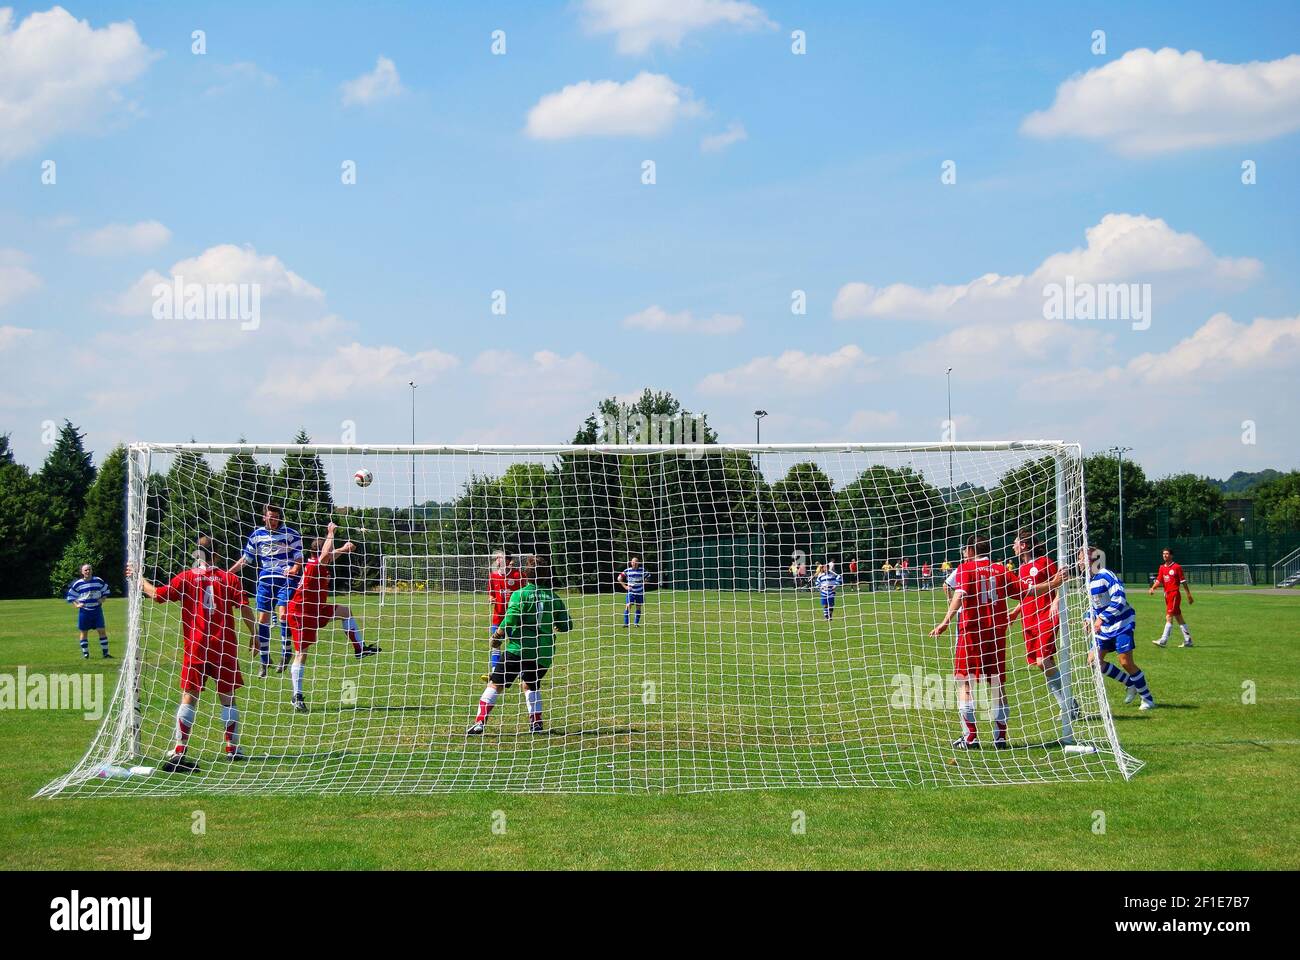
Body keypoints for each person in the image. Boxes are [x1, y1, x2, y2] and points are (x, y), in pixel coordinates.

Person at [128, 538, 255, 771]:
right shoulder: (230, 578)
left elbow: (157, 595)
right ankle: (232, 748)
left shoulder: (186, 577)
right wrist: (254, 634)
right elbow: (245, 606)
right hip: (225, 646)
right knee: (227, 697)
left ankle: (180, 747)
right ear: (217, 555)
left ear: (197, 555)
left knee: (189, 696)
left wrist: (138, 578)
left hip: (196, 647)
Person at [931, 535, 1063, 749]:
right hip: (996, 633)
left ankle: (970, 737)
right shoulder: (1001, 570)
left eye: (966, 549)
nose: (964, 553)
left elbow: (960, 594)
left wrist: (945, 621)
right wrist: (1054, 584)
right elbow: (1027, 591)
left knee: (965, 681)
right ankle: (1000, 736)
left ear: (972, 551)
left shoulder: (966, 568)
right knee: (997, 683)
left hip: (971, 631)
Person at [468, 555, 573, 735]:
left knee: (495, 684)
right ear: (547, 575)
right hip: (542, 652)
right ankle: (536, 724)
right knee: (531, 684)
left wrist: (498, 635)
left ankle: (479, 722)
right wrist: (556, 624)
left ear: (525, 575)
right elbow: (567, 625)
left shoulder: (520, 594)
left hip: (518, 649)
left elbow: (510, 617)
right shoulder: (554, 598)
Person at [285, 522, 380, 713]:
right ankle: (297, 696)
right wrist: (330, 533)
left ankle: (359, 649)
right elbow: (326, 555)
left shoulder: (321, 563)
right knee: (301, 654)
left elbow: (330, 554)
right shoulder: (314, 565)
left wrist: (344, 549)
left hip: (317, 609)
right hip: (300, 612)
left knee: (346, 612)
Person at [1007, 529, 1079, 743]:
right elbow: (1027, 593)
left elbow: (1060, 583)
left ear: (1025, 545)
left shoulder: (1045, 562)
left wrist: (1057, 602)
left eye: (1016, 542)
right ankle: (1070, 703)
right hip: (1028, 619)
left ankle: (1067, 707)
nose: (1013, 545)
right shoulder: (1021, 568)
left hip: (1046, 615)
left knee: (1043, 660)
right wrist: (1016, 610)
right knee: (1041, 663)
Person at [228, 505, 303, 678]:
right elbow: (246, 559)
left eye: (276, 517)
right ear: (264, 518)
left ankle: (286, 653)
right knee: (263, 620)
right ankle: (264, 660)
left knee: (283, 614)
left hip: (286, 578)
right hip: (265, 580)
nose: (273, 520)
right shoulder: (256, 535)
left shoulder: (291, 533)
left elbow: (299, 556)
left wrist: (295, 568)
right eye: (270, 517)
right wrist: (228, 573)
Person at [1084, 548, 1155, 711]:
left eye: (1082, 558)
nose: (1079, 562)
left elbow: (1119, 598)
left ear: (1093, 559)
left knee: (1125, 662)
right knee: (1093, 661)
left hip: (1122, 624)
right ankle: (1130, 683)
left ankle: (1148, 698)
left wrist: (1101, 618)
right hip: (1104, 627)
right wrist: (1088, 618)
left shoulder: (1105, 574)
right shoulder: (1089, 580)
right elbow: (1093, 605)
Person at [482, 552, 524, 682]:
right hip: (498, 618)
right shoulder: (493, 576)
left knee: (516, 645)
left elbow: (524, 592)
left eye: (500, 557)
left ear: (507, 560)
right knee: (495, 644)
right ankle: (495, 672)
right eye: (497, 557)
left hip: (514, 619)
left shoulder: (518, 575)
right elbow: (491, 593)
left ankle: (522, 672)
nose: (497, 559)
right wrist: (491, 598)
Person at [1149, 548, 1194, 648]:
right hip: (1167, 595)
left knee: (1169, 617)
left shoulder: (1177, 567)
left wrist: (1189, 595)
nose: (1165, 555)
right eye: (1163, 554)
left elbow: (1183, 582)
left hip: (1174, 594)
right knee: (1179, 618)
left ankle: (1163, 640)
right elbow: (1159, 580)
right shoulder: (1162, 568)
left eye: (1167, 554)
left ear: (1171, 555)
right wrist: (1152, 588)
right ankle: (1188, 640)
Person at [66, 563, 112, 659]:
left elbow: (106, 590)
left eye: (89, 569)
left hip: (97, 610)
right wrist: (77, 604)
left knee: (101, 631)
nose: (88, 571)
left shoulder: (98, 581)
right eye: (86, 570)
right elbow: (70, 596)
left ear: (92, 571)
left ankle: (106, 654)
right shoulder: (78, 583)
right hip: (84, 611)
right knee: (84, 632)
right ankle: (86, 654)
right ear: (82, 572)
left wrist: (103, 599)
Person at [618, 556, 647, 627]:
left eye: (636, 562)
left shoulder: (642, 570)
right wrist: (625, 587)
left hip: (639, 592)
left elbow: (648, 576)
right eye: (633, 562)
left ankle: (636, 623)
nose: (635, 563)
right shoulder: (627, 570)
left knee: (638, 607)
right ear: (631, 563)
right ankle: (626, 624)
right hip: (631, 592)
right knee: (628, 606)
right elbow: (619, 578)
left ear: (638, 563)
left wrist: (643, 584)